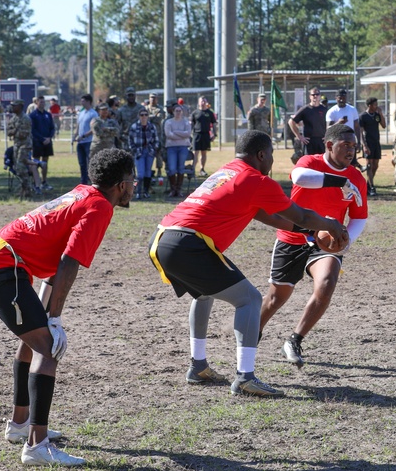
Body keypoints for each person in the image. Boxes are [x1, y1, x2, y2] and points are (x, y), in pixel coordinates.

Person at [148, 130, 348, 397]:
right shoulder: (257, 180)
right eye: (272, 156)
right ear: (261, 154)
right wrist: (329, 224)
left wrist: (309, 233)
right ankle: (245, 378)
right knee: (250, 300)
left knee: (204, 293)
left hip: (162, 238)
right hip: (188, 244)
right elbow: (300, 213)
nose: (273, 162)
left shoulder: (227, 171)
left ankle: (198, 367)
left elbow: (266, 216)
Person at [0, 148, 135, 466]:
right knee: (48, 348)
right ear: (121, 184)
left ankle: (20, 426)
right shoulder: (100, 206)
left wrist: (49, 310)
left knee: (34, 343)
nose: (134, 187)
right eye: (132, 180)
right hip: (1, 266)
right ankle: (36, 445)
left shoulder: (84, 193)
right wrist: (54, 318)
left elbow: (56, 257)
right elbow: (69, 263)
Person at [259, 124, 368, 369]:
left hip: (326, 242)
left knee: (327, 282)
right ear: (329, 145)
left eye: (354, 146)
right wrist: (339, 181)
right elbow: (300, 179)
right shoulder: (309, 161)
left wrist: (345, 241)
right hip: (292, 237)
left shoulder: (357, 178)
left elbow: (360, 216)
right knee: (276, 298)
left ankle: (294, 340)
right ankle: (252, 333)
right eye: (346, 145)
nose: (351, 150)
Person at [8, 99, 41, 198]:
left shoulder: (25, 118)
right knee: (18, 168)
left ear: (20, 107)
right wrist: (15, 130)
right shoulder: (14, 118)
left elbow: (23, 134)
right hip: (17, 145)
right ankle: (24, 189)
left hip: (25, 145)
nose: (13, 107)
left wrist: (14, 131)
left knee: (21, 167)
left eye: (15, 105)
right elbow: (8, 132)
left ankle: (27, 189)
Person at [128, 108, 160, 199]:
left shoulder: (152, 126)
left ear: (148, 116)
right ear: (139, 116)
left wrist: (154, 149)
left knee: (148, 173)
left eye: (146, 115)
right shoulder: (134, 126)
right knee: (140, 174)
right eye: (142, 115)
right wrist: (134, 149)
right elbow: (130, 140)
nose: (144, 117)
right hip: (139, 152)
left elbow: (156, 139)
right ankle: (138, 192)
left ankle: (146, 192)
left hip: (149, 152)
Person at [358, 97, 385, 196]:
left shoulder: (377, 115)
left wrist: (381, 114)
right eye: (375, 105)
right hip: (368, 143)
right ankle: (372, 186)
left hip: (376, 143)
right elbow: (360, 132)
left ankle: (368, 185)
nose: (376, 106)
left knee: (375, 165)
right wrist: (364, 145)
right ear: (369, 105)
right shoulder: (363, 116)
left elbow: (383, 125)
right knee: (369, 165)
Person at [289, 87, 328, 156]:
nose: (315, 96)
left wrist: (328, 136)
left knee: (321, 163)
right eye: (313, 95)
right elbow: (291, 122)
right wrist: (299, 137)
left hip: (321, 141)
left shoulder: (324, 109)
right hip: (308, 142)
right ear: (310, 96)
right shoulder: (305, 109)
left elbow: (330, 124)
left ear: (320, 96)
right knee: (309, 163)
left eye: (317, 94)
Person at [163, 102, 191, 198]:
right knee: (172, 168)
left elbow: (188, 134)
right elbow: (168, 135)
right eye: (176, 111)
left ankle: (178, 190)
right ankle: (173, 189)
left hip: (183, 147)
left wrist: (175, 132)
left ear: (182, 112)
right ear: (173, 112)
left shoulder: (186, 122)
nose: (178, 112)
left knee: (181, 168)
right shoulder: (168, 122)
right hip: (171, 148)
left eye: (180, 111)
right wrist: (181, 134)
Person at [29, 96, 56, 191]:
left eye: (44, 102)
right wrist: (41, 139)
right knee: (35, 162)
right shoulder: (32, 115)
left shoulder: (48, 115)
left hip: (47, 142)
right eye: (40, 102)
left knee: (45, 162)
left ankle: (44, 182)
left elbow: (52, 128)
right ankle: (35, 182)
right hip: (37, 143)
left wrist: (49, 138)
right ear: (36, 103)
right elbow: (33, 130)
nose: (42, 104)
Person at [190, 96, 216, 176]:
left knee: (204, 153)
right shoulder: (195, 113)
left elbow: (214, 124)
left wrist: (214, 134)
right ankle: (192, 170)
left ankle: (202, 169)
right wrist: (190, 134)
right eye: (201, 101)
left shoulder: (210, 113)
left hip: (205, 135)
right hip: (197, 134)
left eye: (204, 101)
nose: (203, 102)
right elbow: (191, 124)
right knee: (195, 153)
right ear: (199, 102)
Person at [75, 94, 98, 185]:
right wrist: (75, 136)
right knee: (82, 163)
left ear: (89, 101)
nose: (81, 102)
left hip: (89, 141)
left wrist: (84, 136)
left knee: (90, 162)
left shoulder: (93, 113)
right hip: (80, 142)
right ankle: (83, 181)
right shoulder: (81, 113)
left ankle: (92, 180)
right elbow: (78, 126)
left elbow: (94, 129)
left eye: (83, 101)